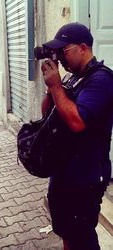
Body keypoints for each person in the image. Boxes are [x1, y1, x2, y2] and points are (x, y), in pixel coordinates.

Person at [40, 22, 113, 250]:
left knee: (83, 238)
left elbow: (77, 121)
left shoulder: (101, 80)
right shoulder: (73, 78)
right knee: (66, 231)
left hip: (86, 177)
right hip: (64, 172)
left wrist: (56, 86)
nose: (60, 57)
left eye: (64, 50)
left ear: (83, 47)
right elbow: (48, 113)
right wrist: (52, 87)